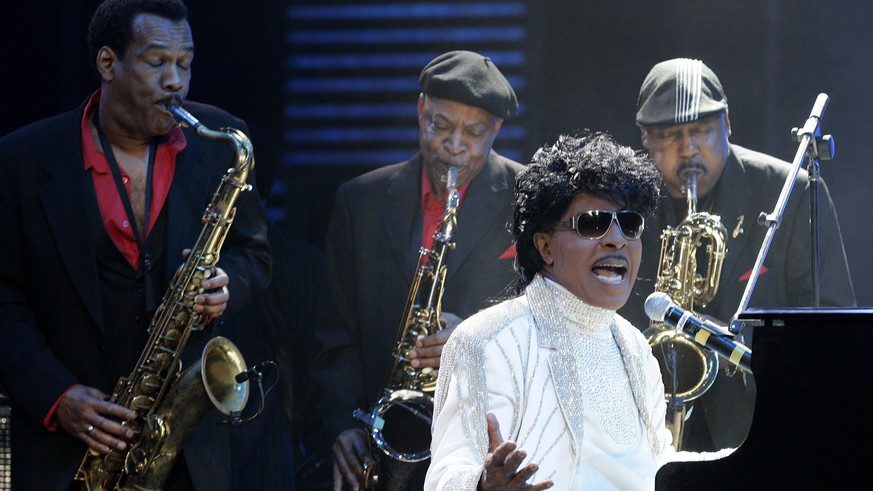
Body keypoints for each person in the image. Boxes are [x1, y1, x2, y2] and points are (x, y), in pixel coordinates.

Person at [0, 0, 271, 489]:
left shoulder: (220, 145)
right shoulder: (20, 159)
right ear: (108, 63)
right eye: (157, 63)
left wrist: (228, 284)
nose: (176, 82)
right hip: (67, 456)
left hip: (190, 455)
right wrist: (57, 397)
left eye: (185, 65)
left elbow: (254, 255)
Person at [619, 57, 856, 452]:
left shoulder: (788, 191)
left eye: (701, 130)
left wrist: (734, 342)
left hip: (758, 427)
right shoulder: (623, 200)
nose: (688, 148)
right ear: (644, 138)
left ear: (727, 124)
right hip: (642, 428)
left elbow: (830, 330)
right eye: (670, 135)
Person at [312, 50, 524, 490]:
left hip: (492, 446)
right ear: (420, 108)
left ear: (497, 129)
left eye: (474, 132)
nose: (454, 145)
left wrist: (476, 336)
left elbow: (556, 316)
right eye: (440, 126)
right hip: (383, 446)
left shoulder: (531, 201)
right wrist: (342, 426)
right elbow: (334, 335)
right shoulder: (359, 201)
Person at [425, 132, 673, 490]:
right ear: (545, 247)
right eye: (593, 223)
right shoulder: (487, 341)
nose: (617, 239)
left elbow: (660, 466)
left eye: (629, 224)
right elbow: (445, 476)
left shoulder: (635, 347)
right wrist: (481, 485)